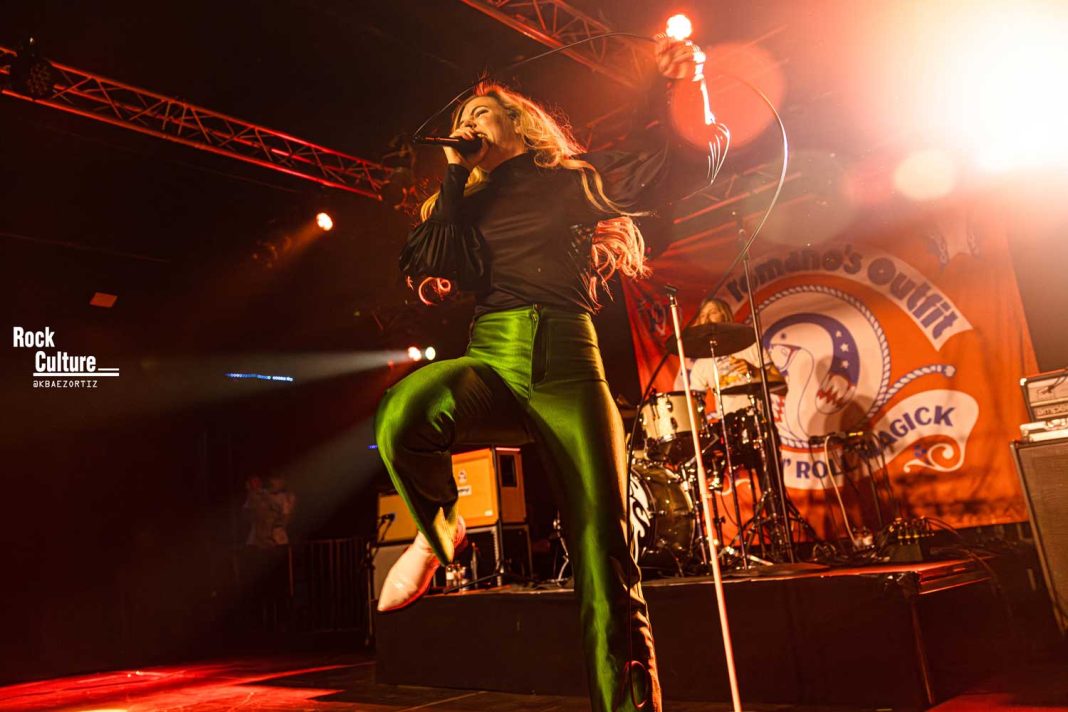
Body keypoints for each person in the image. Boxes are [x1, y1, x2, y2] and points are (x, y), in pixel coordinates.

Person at [374, 36, 713, 712]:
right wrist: (453, 178)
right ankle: (441, 530)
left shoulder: (570, 179)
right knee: (403, 414)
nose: (468, 123)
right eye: (462, 118)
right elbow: (430, 262)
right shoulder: (459, 200)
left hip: (570, 369)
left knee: (603, 552)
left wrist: (687, 88)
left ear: (521, 125)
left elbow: (679, 165)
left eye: (483, 113)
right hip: (494, 359)